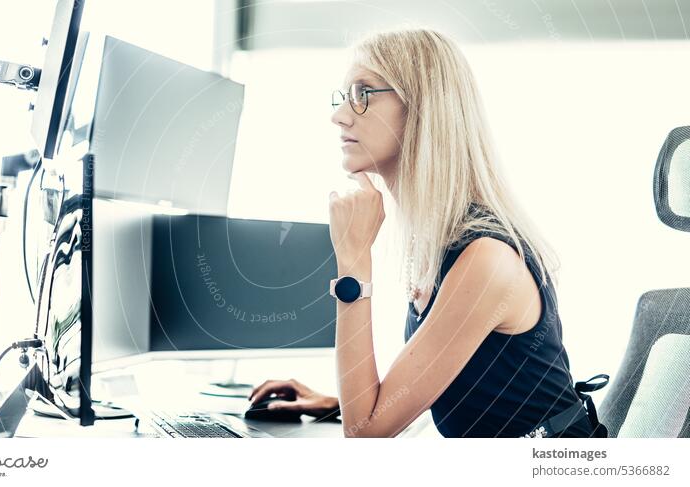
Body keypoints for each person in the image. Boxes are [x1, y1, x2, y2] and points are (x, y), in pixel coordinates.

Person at [248, 28, 607, 438]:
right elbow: (452, 387)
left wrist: (353, 261)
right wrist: (340, 401)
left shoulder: (486, 258)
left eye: (363, 93)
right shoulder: (437, 240)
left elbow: (366, 434)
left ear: (422, 109)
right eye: (344, 95)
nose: (340, 115)